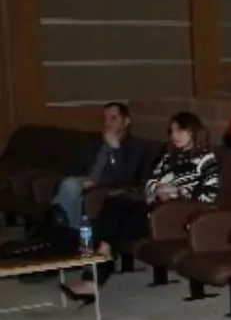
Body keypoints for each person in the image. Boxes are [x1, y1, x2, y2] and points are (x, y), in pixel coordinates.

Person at [63, 112, 220, 299]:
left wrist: (177, 191)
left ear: (194, 131)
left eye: (180, 130)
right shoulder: (170, 156)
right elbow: (150, 182)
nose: (174, 135)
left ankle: (94, 265)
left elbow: (208, 197)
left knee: (106, 225)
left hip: (176, 215)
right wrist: (159, 188)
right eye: (172, 131)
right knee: (113, 204)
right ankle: (97, 264)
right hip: (154, 208)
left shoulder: (207, 161)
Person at [50, 102, 152, 229]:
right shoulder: (95, 142)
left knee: (70, 186)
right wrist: (87, 179)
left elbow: (126, 179)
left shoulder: (136, 147)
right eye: (105, 119)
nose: (108, 123)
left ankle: (61, 218)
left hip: (113, 185)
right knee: (70, 184)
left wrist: (116, 148)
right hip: (88, 180)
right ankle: (67, 226)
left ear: (126, 122)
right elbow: (76, 166)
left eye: (113, 118)